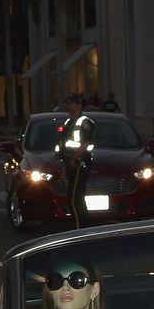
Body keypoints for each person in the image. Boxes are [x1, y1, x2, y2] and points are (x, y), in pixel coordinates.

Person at [55, 93, 96, 228]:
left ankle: (80, 228)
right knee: (72, 198)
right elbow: (65, 147)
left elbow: (85, 144)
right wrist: (64, 167)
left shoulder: (85, 123)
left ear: (79, 105)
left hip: (79, 163)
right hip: (70, 163)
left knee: (75, 198)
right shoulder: (68, 122)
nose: (69, 106)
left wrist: (74, 158)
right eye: (68, 103)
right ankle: (78, 226)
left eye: (72, 103)